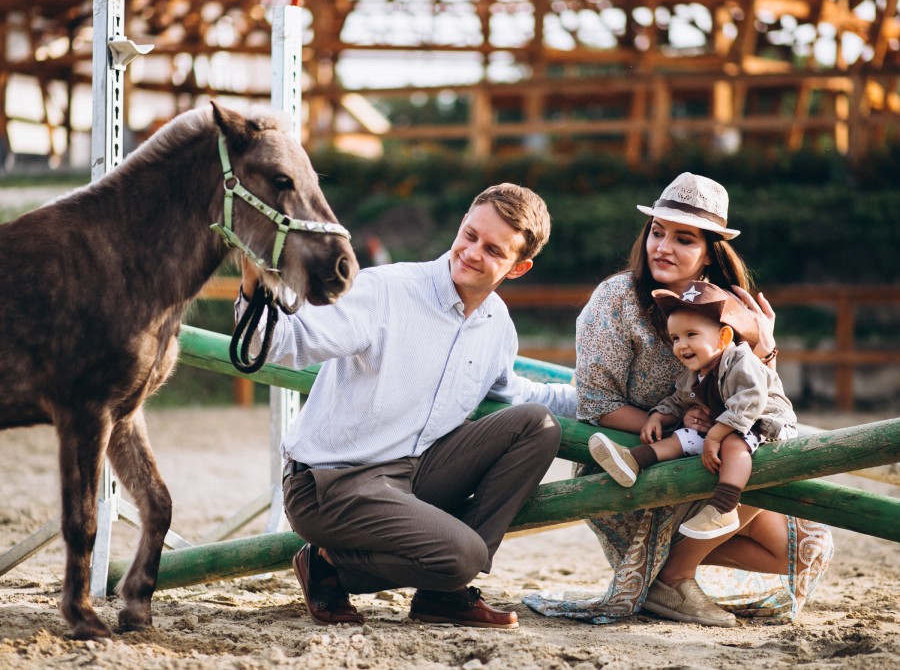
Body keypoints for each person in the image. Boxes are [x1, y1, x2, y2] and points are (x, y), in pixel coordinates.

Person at [237, 183, 576, 628]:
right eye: (469, 235)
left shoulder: (497, 325)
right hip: (330, 483)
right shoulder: (387, 292)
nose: (472, 253)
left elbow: (520, 396)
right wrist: (253, 281)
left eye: (493, 249)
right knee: (463, 556)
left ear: (518, 267)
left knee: (537, 426)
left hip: (409, 473)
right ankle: (328, 565)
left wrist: (614, 401)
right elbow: (284, 341)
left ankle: (442, 594)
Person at [524, 172, 832, 627]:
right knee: (753, 459)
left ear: (710, 252)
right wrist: (673, 422)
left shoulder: (727, 307)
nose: (662, 247)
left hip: (718, 456)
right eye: (657, 232)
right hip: (637, 459)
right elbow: (596, 403)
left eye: (683, 238)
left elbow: (764, 405)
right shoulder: (615, 301)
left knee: (804, 549)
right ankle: (674, 578)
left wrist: (765, 350)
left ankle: (666, 571)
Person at [589, 280, 798, 541]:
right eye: (675, 338)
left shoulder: (741, 360)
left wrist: (714, 436)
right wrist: (657, 415)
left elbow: (751, 401)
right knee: (681, 437)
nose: (681, 345)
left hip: (765, 424)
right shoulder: (694, 374)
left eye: (691, 335)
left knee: (734, 442)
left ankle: (724, 507)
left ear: (723, 337)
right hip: (726, 428)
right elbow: (678, 400)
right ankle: (634, 460)